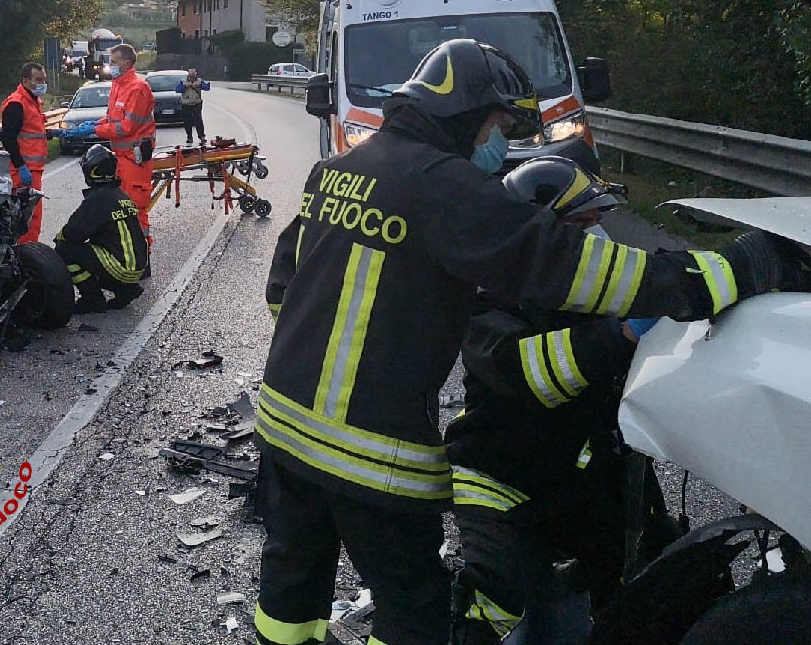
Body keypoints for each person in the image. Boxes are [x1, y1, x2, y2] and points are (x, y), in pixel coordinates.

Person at [254, 38, 796, 645]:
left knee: (291, 586)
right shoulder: (445, 186)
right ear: (463, 113)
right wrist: (727, 274)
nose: (499, 139)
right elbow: (574, 269)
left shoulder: (339, 170)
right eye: (497, 122)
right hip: (370, 449)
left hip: (282, 426)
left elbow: (284, 291)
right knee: (413, 610)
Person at [447, 156, 670, 645]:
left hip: (582, 473)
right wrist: (622, 337)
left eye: (597, 225)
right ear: (534, 233)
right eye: (580, 226)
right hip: (503, 479)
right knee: (495, 603)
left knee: (644, 577)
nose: (597, 241)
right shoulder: (490, 299)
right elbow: (530, 372)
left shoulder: (598, 292)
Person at [66, 44, 156, 246]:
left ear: (127, 63)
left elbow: (126, 127)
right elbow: (113, 118)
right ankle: (125, 250)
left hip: (135, 158)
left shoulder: (137, 88)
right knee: (120, 207)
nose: (109, 65)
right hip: (121, 157)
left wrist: (96, 131)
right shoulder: (118, 85)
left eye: (113, 62)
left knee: (135, 208)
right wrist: (96, 124)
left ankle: (142, 255)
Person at [53, 145, 147, 314]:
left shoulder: (97, 199)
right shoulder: (120, 194)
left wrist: (59, 238)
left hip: (122, 267)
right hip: (138, 266)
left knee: (64, 249)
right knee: (94, 253)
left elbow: (73, 234)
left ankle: (92, 299)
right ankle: (125, 289)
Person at [0, 62, 49, 243]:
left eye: (44, 80)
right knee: (27, 220)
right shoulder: (17, 104)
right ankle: (26, 258)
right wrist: (20, 166)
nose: (43, 83)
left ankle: (29, 255)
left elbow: (30, 132)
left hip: (32, 169)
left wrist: (51, 134)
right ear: (26, 81)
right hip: (22, 171)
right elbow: (9, 138)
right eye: (38, 80)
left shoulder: (32, 101)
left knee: (33, 219)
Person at [175, 68, 210, 145]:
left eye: (193, 75)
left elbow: (207, 88)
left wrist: (200, 85)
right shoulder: (183, 81)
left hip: (196, 103)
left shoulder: (199, 81)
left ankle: (201, 136)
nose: (192, 77)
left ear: (195, 75)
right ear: (188, 75)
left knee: (198, 120)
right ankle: (189, 137)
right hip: (185, 104)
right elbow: (177, 90)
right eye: (190, 75)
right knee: (187, 121)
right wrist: (184, 86)